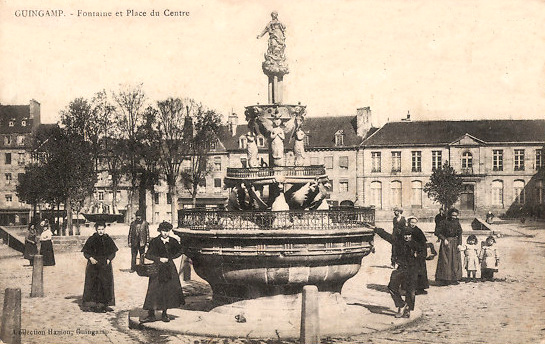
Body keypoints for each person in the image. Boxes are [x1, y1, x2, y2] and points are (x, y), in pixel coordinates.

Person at [141, 221, 185, 323]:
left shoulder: (173, 241)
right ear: (160, 231)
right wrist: (159, 259)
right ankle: (151, 314)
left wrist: (170, 258)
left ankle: (164, 314)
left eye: (167, 231)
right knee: (153, 290)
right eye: (163, 231)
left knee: (167, 290)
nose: (165, 233)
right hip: (157, 269)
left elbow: (180, 251)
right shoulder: (155, 241)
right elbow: (148, 255)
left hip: (169, 268)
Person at [388, 227, 425, 318]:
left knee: (410, 290)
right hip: (401, 268)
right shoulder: (399, 243)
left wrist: (418, 255)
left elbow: (424, 253)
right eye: (405, 235)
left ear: (411, 236)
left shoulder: (416, 245)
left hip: (413, 270)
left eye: (408, 235)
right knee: (391, 286)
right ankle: (401, 304)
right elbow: (388, 237)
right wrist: (377, 229)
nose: (406, 237)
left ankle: (407, 310)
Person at [81, 221, 118, 313]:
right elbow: (86, 252)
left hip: (105, 265)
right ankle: (93, 305)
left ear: (104, 229)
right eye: (99, 229)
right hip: (94, 265)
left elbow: (113, 252)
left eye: (102, 229)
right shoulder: (91, 239)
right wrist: (90, 258)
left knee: (105, 284)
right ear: (96, 229)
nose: (101, 231)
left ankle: (104, 304)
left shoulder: (108, 239)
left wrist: (109, 259)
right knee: (93, 284)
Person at [434, 208, 463, 285]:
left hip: (455, 243)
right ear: (449, 215)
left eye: (456, 216)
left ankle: (454, 278)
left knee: (455, 261)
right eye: (453, 215)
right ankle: (444, 279)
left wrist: (460, 244)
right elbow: (437, 232)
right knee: (446, 261)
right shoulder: (443, 222)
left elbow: (460, 233)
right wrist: (444, 239)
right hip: (446, 244)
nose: (454, 217)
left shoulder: (457, 222)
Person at [405, 216, 430, 294]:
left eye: (414, 223)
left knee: (420, 271)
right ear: (408, 222)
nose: (413, 224)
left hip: (419, 253)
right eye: (411, 222)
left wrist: (422, 253)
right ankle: (409, 288)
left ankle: (420, 288)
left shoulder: (418, 231)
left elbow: (423, 242)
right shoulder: (406, 230)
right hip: (409, 253)